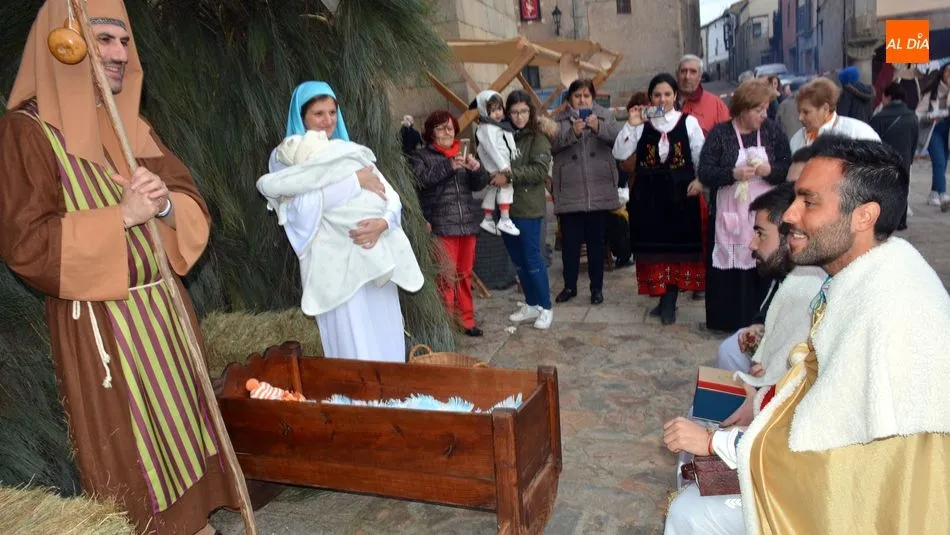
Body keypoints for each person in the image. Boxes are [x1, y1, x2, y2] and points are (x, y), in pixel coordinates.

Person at [0, 2, 236, 533]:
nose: (120, 54)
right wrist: (121, 218)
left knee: (187, 432)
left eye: (125, 41)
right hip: (101, 329)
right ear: (64, 43)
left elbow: (187, 197)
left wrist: (166, 205)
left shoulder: (130, 125)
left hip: (165, 314)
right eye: (103, 39)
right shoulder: (27, 132)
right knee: (133, 460)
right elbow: (26, 244)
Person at [667, 135, 950, 534]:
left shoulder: (887, 311)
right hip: (846, 482)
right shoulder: (865, 277)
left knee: (691, 514)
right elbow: (818, 383)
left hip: (865, 504)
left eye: (809, 202)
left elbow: (828, 457)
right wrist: (762, 401)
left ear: (864, 216)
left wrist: (716, 443)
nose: (789, 215)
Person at [663, 181, 825, 534]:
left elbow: (797, 420)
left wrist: (714, 439)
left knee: (688, 511)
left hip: (799, 480)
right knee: (702, 407)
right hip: (775, 421)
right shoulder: (804, 279)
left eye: (760, 233)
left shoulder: (812, 286)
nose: (751, 244)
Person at [266, 82, 415, 362]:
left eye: (332, 112)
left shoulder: (350, 151)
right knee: (352, 344)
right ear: (301, 117)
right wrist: (355, 182)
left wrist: (383, 223)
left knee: (386, 338)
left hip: (375, 260)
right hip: (335, 268)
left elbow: (391, 196)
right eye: (318, 114)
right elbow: (299, 208)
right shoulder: (287, 158)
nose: (327, 120)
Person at [698, 79, 791, 332]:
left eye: (766, 109)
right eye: (758, 109)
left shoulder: (772, 132)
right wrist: (733, 174)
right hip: (731, 213)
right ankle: (727, 321)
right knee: (731, 267)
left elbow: (786, 165)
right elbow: (705, 172)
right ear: (742, 108)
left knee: (763, 263)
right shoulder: (721, 134)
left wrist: (769, 170)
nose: (764, 115)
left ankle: (760, 320)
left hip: (764, 213)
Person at [613, 73, 706, 325]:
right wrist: (631, 124)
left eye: (667, 94)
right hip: (649, 197)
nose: (662, 99)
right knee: (655, 250)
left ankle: (669, 303)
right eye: (657, 95)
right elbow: (619, 153)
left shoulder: (688, 123)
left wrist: (700, 181)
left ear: (675, 95)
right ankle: (664, 298)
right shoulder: (642, 124)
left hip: (680, 197)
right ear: (650, 98)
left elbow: (700, 155)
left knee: (676, 250)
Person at [714, 148, 816, 373]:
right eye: (790, 186)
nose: (791, 197)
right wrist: (759, 325)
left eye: (802, 192)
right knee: (730, 350)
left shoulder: (817, 280)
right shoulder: (785, 268)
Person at [411, 111, 490, 337]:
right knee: (444, 279)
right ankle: (445, 325)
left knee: (465, 275)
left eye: (450, 127)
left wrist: (476, 169)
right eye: (440, 128)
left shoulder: (463, 153)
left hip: (466, 225)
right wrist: (449, 166)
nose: (447, 132)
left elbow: (479, 185)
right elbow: (421, 180)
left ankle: (466, 320)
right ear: (431, 132)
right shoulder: (421, 156)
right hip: (441, 226)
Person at [550, 79, 621, 305]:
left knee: (596, 244)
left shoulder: (605, 116)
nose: (582, 100)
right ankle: (569, 286)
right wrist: (572, 133)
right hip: (570, 190)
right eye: (577, 96)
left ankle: (596, 288)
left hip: (597, 189)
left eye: (586, 96)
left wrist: (598, 128)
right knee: (569, 244)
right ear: (570, 99)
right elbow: (552, 146)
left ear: (593, 98)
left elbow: (619, 140)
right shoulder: (558, 120)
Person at [497, 90, 555, 330]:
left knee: (533, 259)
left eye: (523, 111)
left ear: (530, 112)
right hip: (506, 209)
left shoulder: (538, 137)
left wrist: (509, 176)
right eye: (514, 112)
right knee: (518, 261)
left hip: (529, 208)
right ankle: (531, 304)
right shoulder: (503, 135)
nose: (519, 117)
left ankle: (546, 307)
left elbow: (539, 171)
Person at [676, 54, 730, 301]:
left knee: (705, 231)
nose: (687, 76)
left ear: (700, 75)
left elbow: (727, 143)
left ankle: (703, 280)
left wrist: (707, 177)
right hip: (674, 178)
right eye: (683, 71)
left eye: (693, 71)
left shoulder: (714, 105)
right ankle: (679, 279)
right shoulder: (668, 101)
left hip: (704, 180)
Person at [870, 83, 918, 229]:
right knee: (902, 188)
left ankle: (885, 220)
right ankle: (901, 220)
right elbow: (914, 141)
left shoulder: (879, 118)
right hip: (904, 158)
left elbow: (872, 142)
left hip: (883, 159)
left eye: (883, 96)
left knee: (883, 189)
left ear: (888, 97)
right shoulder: (912, 117)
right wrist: (910, 158)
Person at [789, 77, 880, 153]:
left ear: (825, 108)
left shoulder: (858, 133)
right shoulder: (797, 139)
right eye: (799, 112)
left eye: (806, 112)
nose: (800, 118)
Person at [473, 89, 520, 236]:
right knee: (506, 186)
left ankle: (487, 219)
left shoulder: (494, 125)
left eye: (499, 109)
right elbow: (491, 148)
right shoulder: (487, 127)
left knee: (493, 188)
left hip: (497, 163)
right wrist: (503, 166)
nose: (498, 113)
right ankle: (504, 219)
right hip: (497, 164)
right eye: (493, 111)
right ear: (484, 111)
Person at [916, 63, 950, 210]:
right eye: (948, 71)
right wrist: (931, 116)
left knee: (944, 161)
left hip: (948, 132)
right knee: (939, 161)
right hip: (933, 130)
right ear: (942, 73)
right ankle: (943, 194)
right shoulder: (932, 92)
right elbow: (918, 114)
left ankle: (933, 193)